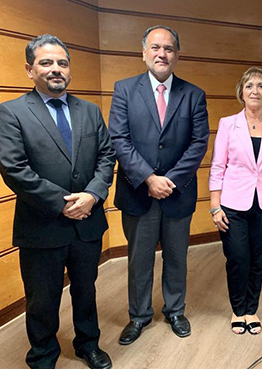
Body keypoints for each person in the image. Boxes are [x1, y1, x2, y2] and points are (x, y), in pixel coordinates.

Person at [0, 34, 115, 369]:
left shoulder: (89, 111)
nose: (56, 69)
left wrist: (92, 195)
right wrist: (62, 202)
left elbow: (107, 158)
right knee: (42, 299)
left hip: (87, 223)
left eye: (62, 62)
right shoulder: (12, 112)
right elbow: (13, 168)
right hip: (42, 225)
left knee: (85, 291)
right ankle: (43, 355)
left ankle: (88, 344)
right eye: (46, 62)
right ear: (30, 70)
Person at [109, 25, 209, 342]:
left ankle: (175, 311)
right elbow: (119, 140)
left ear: (176, 55)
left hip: (178, 193)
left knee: (177, 256)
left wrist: (170, 180)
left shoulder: (193, 94)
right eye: (155, 47)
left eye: (168, 48)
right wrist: (149, 178)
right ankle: (139, 316)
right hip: (139, 191)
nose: (161, 54)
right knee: (139, 259)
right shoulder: (124, 90)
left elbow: (198, 143)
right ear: (144, 53)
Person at [209, 67, 262, 335]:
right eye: (249, 86)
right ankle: (237, 309)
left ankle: (251, 310)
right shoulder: (227, 124)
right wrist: (215, 205)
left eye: (261, 86)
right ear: (241, 92)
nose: (255, 91)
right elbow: (218, 166)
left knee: (258, 259)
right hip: (233, 204)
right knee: (237, 258)